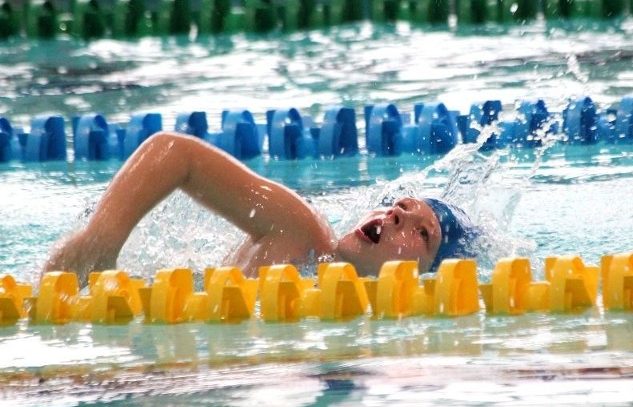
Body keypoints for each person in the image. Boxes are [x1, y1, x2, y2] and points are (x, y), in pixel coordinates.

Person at [43, 131, 478, 285]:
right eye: (400, 206)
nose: (396, 216)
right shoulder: (302, 233)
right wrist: (99, 242)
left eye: (422, 234)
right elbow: (173, 151)